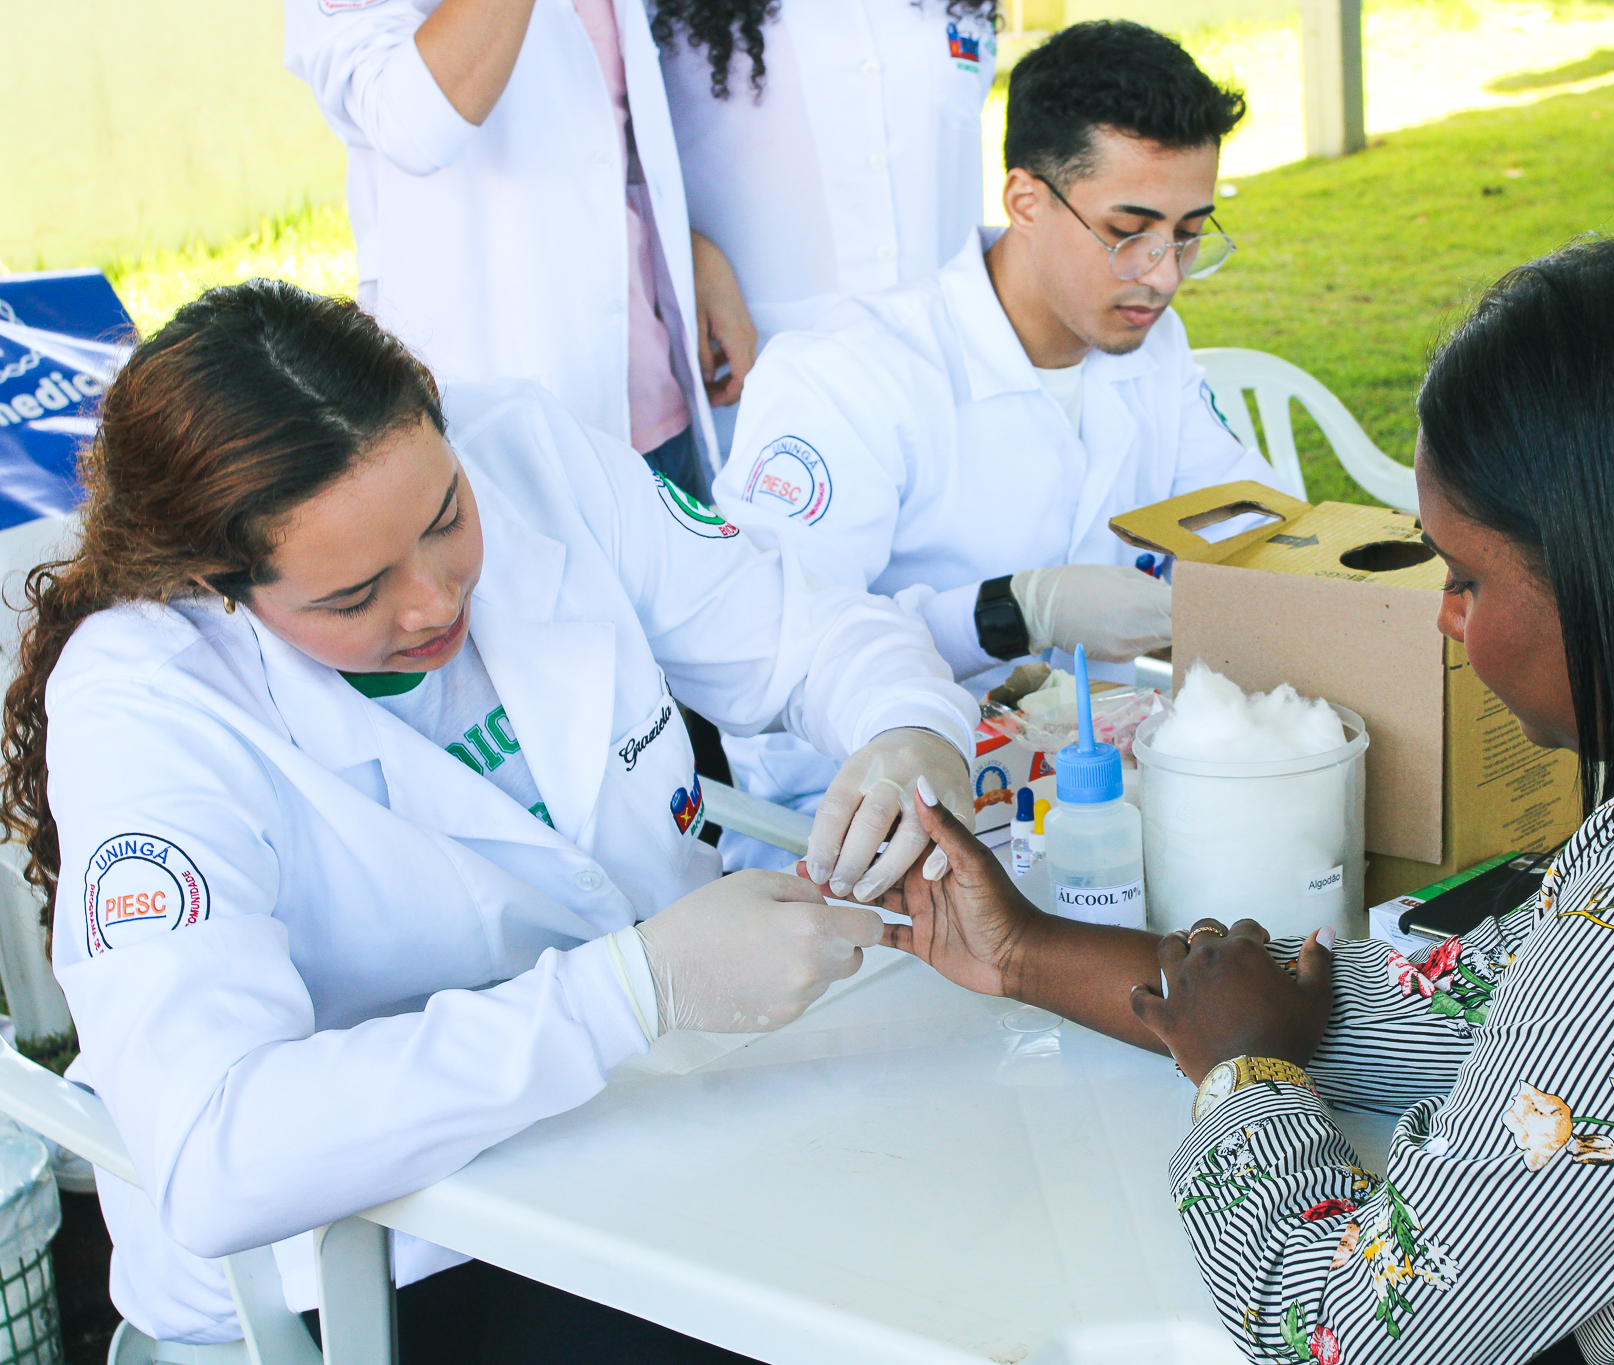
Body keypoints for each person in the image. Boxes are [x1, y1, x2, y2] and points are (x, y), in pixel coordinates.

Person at [878, 239, 1614, 1362]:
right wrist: (1023, 951)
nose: (1443, 616)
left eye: (1465, 577)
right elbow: (1459, 1009)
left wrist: (1243, 1079)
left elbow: (1355, 1334)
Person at [3, 281, 976, 1354]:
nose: (434, 602)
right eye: (354, 595)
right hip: (395, 1245)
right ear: (215, 580)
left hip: (673, 1117)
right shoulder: (149, 703)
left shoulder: (523, 451)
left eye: (447, 521)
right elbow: (218, 1151)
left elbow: (802, 631)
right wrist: (630, 988)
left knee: (963, 1241)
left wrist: (909, 728)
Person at [712, 21, 1274, 872]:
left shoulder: (1148, 346)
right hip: (862, 837)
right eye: (1129, 231)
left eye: (1189, 233)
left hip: (1086, 802)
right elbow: (772, 647)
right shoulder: (848, 378)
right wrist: (1012, 610)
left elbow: (1252, 525)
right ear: (1024, 199)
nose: (1162, 273)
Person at [284, 0, 757, 496]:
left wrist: (685, 251)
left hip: (656, 407)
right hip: (504, 425)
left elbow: (607, 123)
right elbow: (411, 124)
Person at [663, 0, 1001, 356]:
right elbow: (626, 169)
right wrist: (691, 252)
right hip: (755, 353)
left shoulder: (961, 8)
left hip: (941, 349)